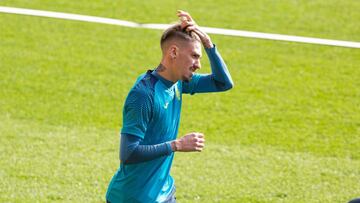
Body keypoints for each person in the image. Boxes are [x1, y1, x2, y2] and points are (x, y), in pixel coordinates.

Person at [105, 10, 234, 203]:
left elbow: (223, 83)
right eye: (194, 56)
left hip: (163, 193)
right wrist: (177, 145)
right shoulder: (143, 95)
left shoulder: (179, 82)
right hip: (133, 197)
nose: (198, 64)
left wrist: (208, 43)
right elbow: (128, 153)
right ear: (173, 52)